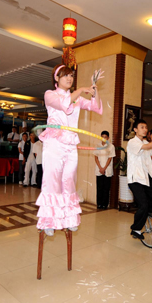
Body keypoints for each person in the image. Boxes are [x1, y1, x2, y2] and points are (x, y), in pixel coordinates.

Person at [36, 64, 103, 237]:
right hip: (54, 142)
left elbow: (96, 107)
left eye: (71, 75)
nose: (69, 78)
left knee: (68, 180)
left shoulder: (77, 98)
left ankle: (69, 219)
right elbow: (64, 104)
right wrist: (81, 89)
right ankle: (49, 221)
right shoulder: (50, 94)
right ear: (57, 79)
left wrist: (95, 92)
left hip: (71, 143)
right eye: (65, 75)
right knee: (53, 180)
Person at [94, 130, 116, 209]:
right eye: (102, 137)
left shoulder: (111, 146)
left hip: (107, 170)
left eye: (105, 137)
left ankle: (105, 204)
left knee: (106, 188)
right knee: (99, 188)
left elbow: (110, 158)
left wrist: (104, 168)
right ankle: (99, 204)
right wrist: (100, 168)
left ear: (108, 138)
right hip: (99, 170)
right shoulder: (97, 145)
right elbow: (96, 157)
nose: (103, 138)